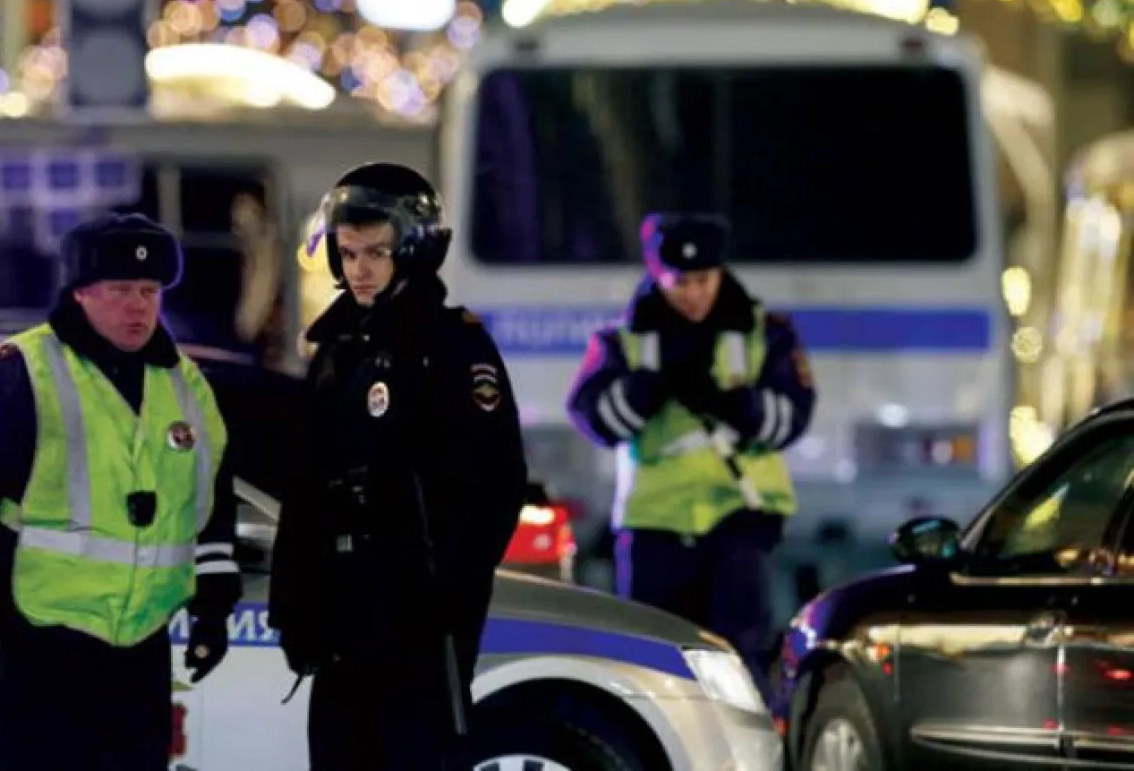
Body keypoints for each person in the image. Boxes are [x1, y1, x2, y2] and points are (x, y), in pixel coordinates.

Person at [0, 212, 241, 771]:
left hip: (140, 652)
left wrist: (213, 611)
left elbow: (208, 507)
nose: (139, 306)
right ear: (80, 294)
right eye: (120, 290)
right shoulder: (24, 369)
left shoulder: (186, 384)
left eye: (149, 291)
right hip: (44, 642)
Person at [270, 162, 529, 771]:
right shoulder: (338, 348)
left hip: (416, 617)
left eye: (375, 254)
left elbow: (494, 483)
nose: (358, 269)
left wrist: (448, 591)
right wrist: (296, 604)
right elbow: (308, 486)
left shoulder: (450, 348)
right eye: (348, 253)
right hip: (341, 616)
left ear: (411, 252)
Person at [565, 212, 816, 693]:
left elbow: (793, 417)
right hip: (654, 526)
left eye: (703, 280)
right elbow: (594, 417)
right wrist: (649, 388)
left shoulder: (766, 332)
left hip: (738, 517)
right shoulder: (623, 339)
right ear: (657, 275)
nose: (694, 293)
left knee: (739, 659)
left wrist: (732, 403)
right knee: (651, 663)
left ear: (721, 271)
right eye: (679, 282)